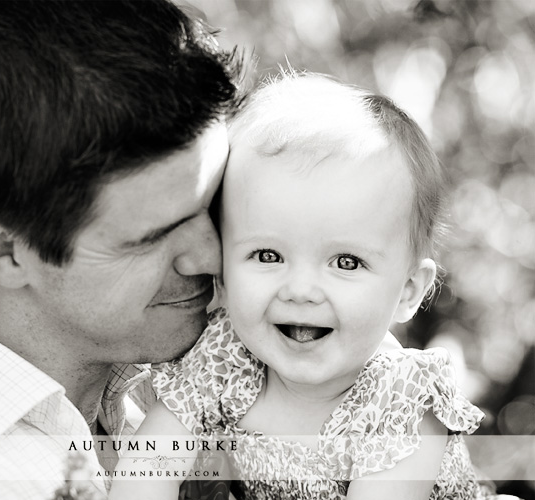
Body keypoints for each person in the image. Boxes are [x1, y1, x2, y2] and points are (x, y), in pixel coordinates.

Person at [0, 1, 242, 499]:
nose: (211, 257)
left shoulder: (153, 388)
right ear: (7, 252)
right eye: (152, 237)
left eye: (214, 205)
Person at [109, 72, 498, 500]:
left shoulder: (401, 399)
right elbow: (143, 474)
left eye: (346, 262)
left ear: (407, 290)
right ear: (222, 267)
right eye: (268, 256)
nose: (300, 290)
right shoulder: (224, 358)